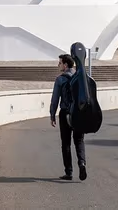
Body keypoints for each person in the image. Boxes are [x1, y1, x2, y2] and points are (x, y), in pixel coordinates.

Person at [50, 53, 87, 181]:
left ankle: (69, 172)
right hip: (79, 113)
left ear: (65, 65)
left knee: (66, 143)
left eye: (59, 63)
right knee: (79, 140)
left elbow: (55, 99)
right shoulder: (80, 77)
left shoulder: (60, 79)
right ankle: (82, 163)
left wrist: (52, 115)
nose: (58, 65)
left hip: (65, 113)